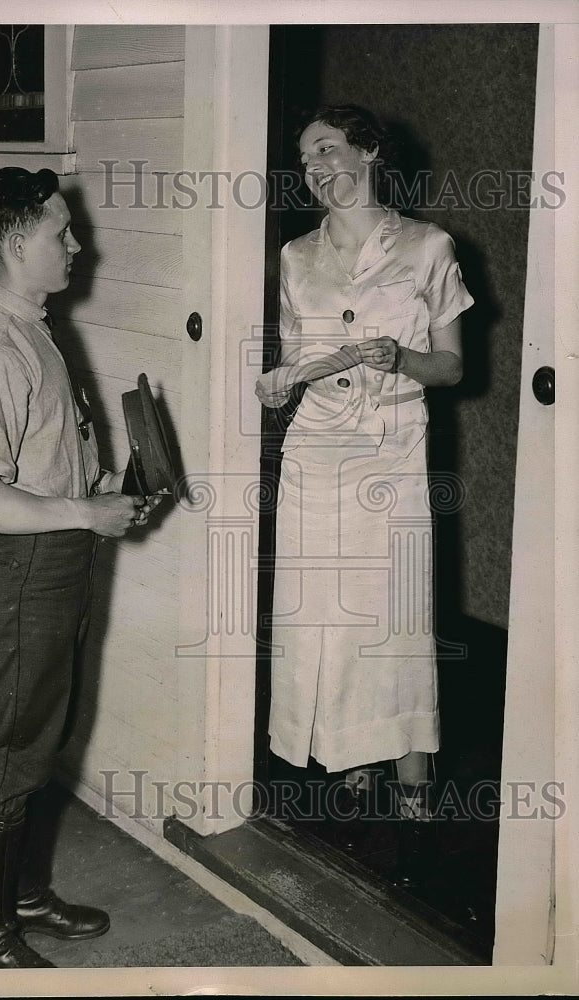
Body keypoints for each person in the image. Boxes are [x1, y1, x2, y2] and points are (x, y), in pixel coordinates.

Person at [0, 167, 161, 968]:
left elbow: (40, 464)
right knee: (10, 752)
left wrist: (99, 491)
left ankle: (23, 897)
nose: (77, 245)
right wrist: (82, 513)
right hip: (22, 573)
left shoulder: (36, 328)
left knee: (41, 739)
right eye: (59, 234)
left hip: (56, 563)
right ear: (13, 245)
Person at [256, 106, 473, 884]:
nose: (314, 165)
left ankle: (411, 773)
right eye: (304, 156)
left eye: (327, 149)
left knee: (395, 604)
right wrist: (279, 383)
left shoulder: (427, 247)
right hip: (317, 443)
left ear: (369, 151)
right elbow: (290, 363)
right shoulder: (294, 255)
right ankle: (351, 750)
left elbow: (452, 367)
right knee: (324, 606)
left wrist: (402, 359)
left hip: (392, 442)